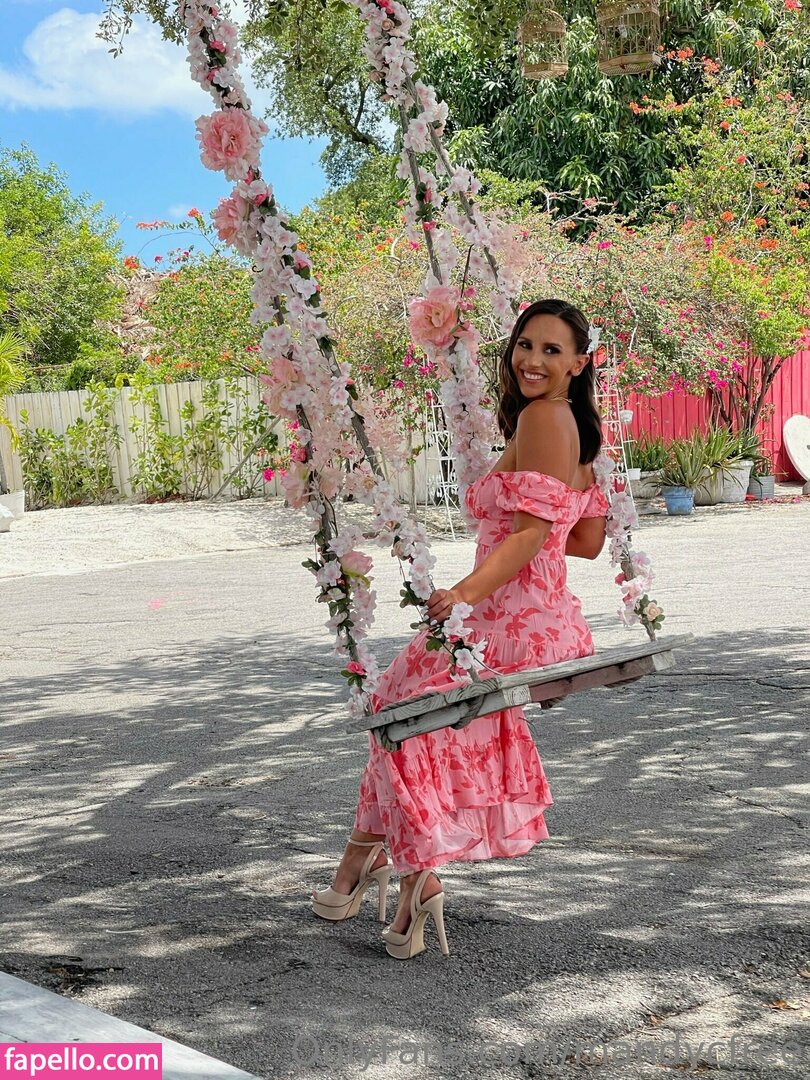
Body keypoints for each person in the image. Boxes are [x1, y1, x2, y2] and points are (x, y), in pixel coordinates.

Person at [311, 298, 609, 959]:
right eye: (526, 344)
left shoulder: (542, 417)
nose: (533, 359)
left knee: (395, 715)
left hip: (505, 620)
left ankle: (404, 876)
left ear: (578, 363)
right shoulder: (576, 427)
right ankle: (379, 870)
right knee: (398, 713)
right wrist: (540, 522)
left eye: (552, 350)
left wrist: (462, 592)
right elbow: (585, 540)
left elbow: (531, 535)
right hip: (543, 617)